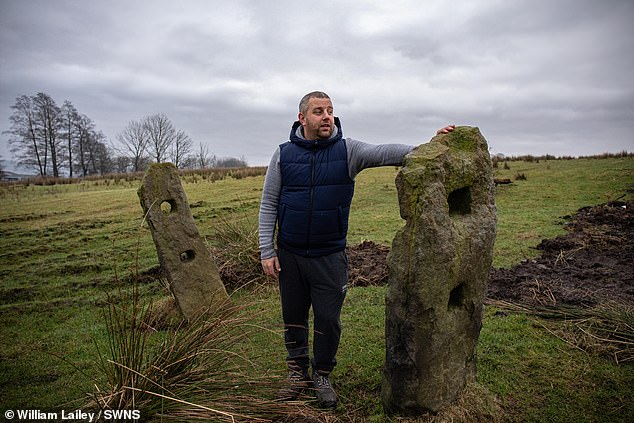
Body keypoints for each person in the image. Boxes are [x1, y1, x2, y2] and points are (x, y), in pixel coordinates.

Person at [258, 91, 454, 408]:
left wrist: (427, 147)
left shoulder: (348, 151)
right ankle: (297, 374)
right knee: (293, 317)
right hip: (291, 255)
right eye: (318, 111)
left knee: (327, 320)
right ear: (302, 118)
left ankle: (322, 376)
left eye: (330, 110)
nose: (326, 117)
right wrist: (267, 250)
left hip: (329, 256)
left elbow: (385, 153)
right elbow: (268, 204)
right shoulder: (282, 155)